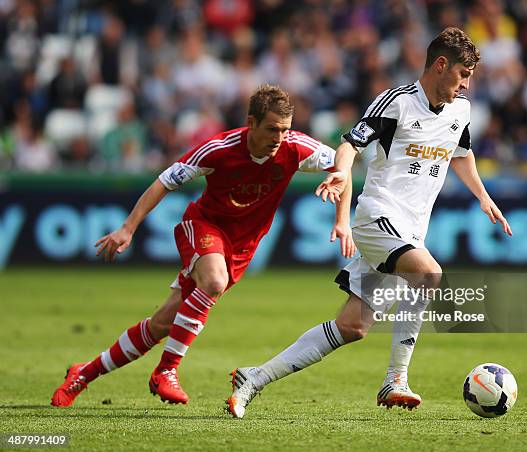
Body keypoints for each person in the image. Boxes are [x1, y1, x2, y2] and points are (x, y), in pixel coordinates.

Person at [226, 27, 513, 419]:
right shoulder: (397, 103)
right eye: (463, 74)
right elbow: (350, 144)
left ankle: (253, 377)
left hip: (409, 231)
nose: (467, 84)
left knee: (352, 326)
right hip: (378, 216)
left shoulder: (460, 111)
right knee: (429, 274)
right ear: (441, 65)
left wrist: (483, 196)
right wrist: (342, 172)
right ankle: (396, 379)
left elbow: (461, 154)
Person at [51, 84, 355, 407]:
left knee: (162, 324)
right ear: (251, 122)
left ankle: (84, 373)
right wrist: (128, 227)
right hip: (204, 227)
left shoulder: (295, 148)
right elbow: (164, 181)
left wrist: (342, 220)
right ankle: (166, 371)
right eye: (271, 128)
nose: (279, 137)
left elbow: (342, 167)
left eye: (285, 129)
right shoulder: (219, 149)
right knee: (213, 280)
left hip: (240, 247)